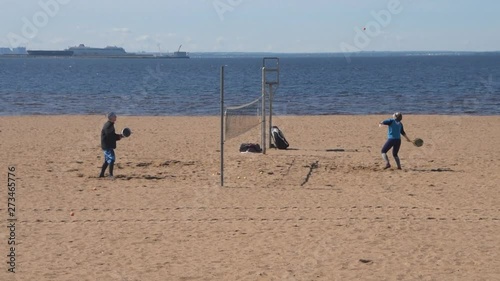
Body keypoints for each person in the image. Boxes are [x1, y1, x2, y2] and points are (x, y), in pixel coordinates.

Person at [99, 112, 123, 178]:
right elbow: (110, 136)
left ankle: (101, 174)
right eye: (114, 116)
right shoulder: (108, 126)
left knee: (107, 160)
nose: (116, 117)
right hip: (107, 146)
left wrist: (119, 136)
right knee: (112, 159)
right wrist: (118, 137)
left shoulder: (110, 124)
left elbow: (111, 135)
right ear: (111, 118)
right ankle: (110, 175)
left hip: (106, 145)